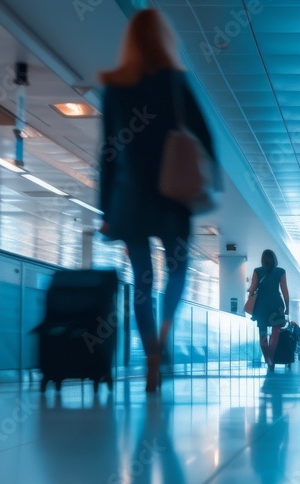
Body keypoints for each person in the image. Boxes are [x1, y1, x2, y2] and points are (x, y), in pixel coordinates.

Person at [98, 8, 214, 392]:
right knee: (178, 269)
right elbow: (205, 135)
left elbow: (108, 152)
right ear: (165, 40)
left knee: (142, 280)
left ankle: (150, 353)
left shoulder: (115, 86)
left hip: (130, 200)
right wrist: (207, 176)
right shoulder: (176, 82)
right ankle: (165, 333)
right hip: (173, 196)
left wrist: (105, 209)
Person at [247, 249, 289, 372]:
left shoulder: (258, 271)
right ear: (274, 259)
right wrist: (287, 307)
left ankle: (267, 359)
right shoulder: (281, 271)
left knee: (263, 334)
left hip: (261, 306)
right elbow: (285, 291)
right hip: (276, 305)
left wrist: (251, 291)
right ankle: (271, 358)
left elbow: (252, 289)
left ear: (263, 260)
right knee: (275, 333)